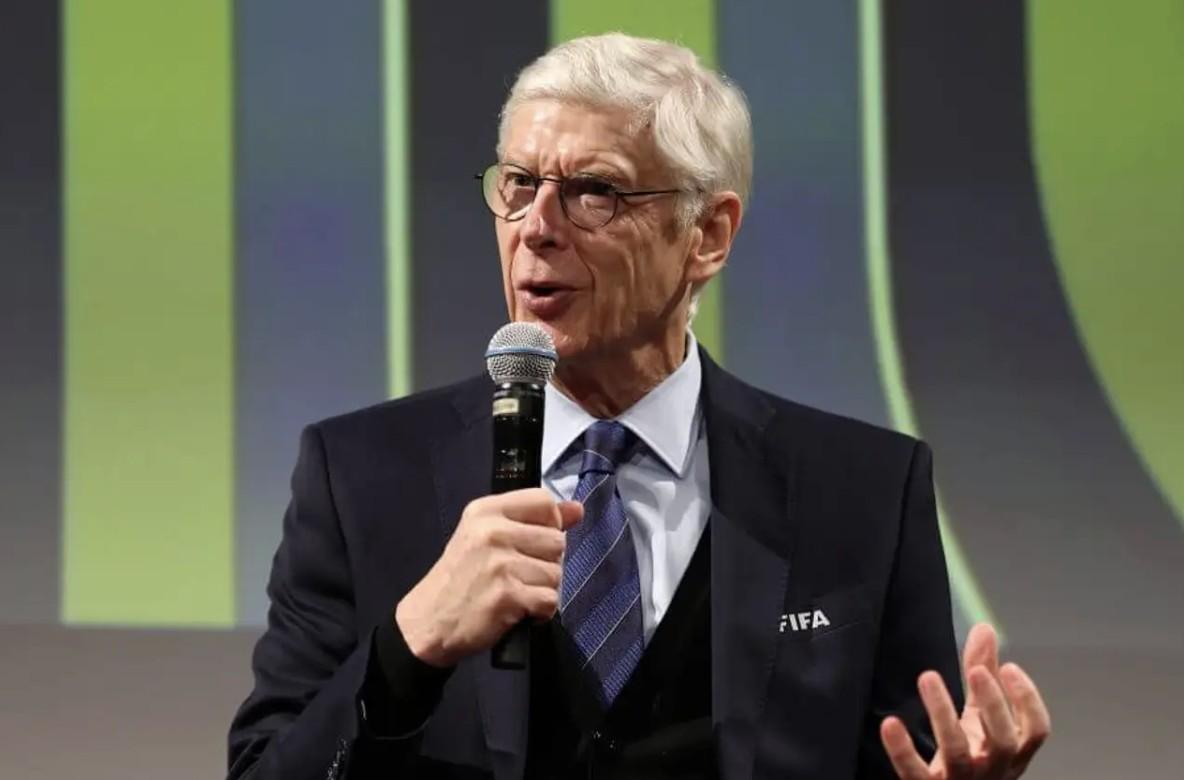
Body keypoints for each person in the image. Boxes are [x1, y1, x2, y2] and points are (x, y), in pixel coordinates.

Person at [228, 33, 1049, 780]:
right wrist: (409, 645)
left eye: (595, 192)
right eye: (519, 185)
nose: (536, 228)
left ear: (708, 235)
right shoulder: (361, 477)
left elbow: (918, 759)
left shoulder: (862, 490)